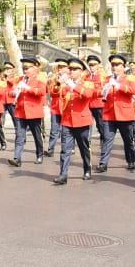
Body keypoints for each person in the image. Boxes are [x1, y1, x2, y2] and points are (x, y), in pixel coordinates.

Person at [54, 56, 97, 185]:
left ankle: (87, 169)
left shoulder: (87, 83)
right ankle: (63, 174)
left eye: (75, 69)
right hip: (67, 121)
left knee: (84, 148)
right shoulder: (66, 84)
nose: (72, 71)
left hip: (82, 121)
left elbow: (87, 95)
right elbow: (56, 94)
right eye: (70, 69)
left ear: (81, 71)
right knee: (65, 149)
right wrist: (58, 84)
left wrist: (72, 85)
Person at [97, 53, 135, 173]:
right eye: (113, 65)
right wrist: (102, 91)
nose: (115, 67)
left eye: (117, 65)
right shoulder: (107, 79)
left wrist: (118, 86)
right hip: (109, 113)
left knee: (127, 140)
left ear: (123, 66)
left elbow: (133, 90)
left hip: (124, 114)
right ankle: (103, 163)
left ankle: (130, 160)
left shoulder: (130, 78)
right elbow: (99, 92)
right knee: (107, 139)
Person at [8, 56, 47, 167]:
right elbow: (10, 91)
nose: (25, 71)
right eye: (24, 68)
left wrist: (28, 88)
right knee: (19, 136)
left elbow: (41, 92)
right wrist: (14, 92)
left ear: (34, 68)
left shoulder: (40, 79)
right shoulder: (20, 79)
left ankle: (39, 155)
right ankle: (17, 158)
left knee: (36, 135)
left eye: (27, 68)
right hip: (20, 111)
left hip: (33, 112)